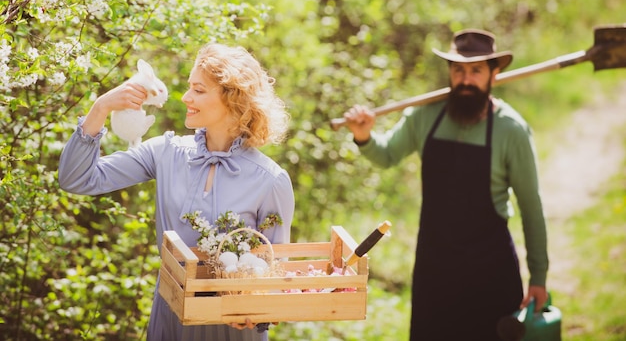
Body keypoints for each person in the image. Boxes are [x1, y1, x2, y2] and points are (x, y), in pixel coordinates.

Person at [58, 43, 295, 341]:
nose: (185, 98)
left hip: (228, 328)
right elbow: (77, 179)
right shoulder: (166, 151)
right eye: (188, 88)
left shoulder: (270, 179)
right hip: (168, 318)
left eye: (198, 90)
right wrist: (101, 107)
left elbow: (274, 268)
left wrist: (255, 313)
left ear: (233, 98)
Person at [343, 29, 549, 340]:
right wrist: (363, 136)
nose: (466, 80)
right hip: (435, 268)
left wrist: (539, 276)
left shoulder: (512, 130)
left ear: (494, 74)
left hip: (490, 271)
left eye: (476, 70)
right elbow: (386, 155)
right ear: (450, 73)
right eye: (459, 70)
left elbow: (531, 207)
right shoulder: (425, 116)